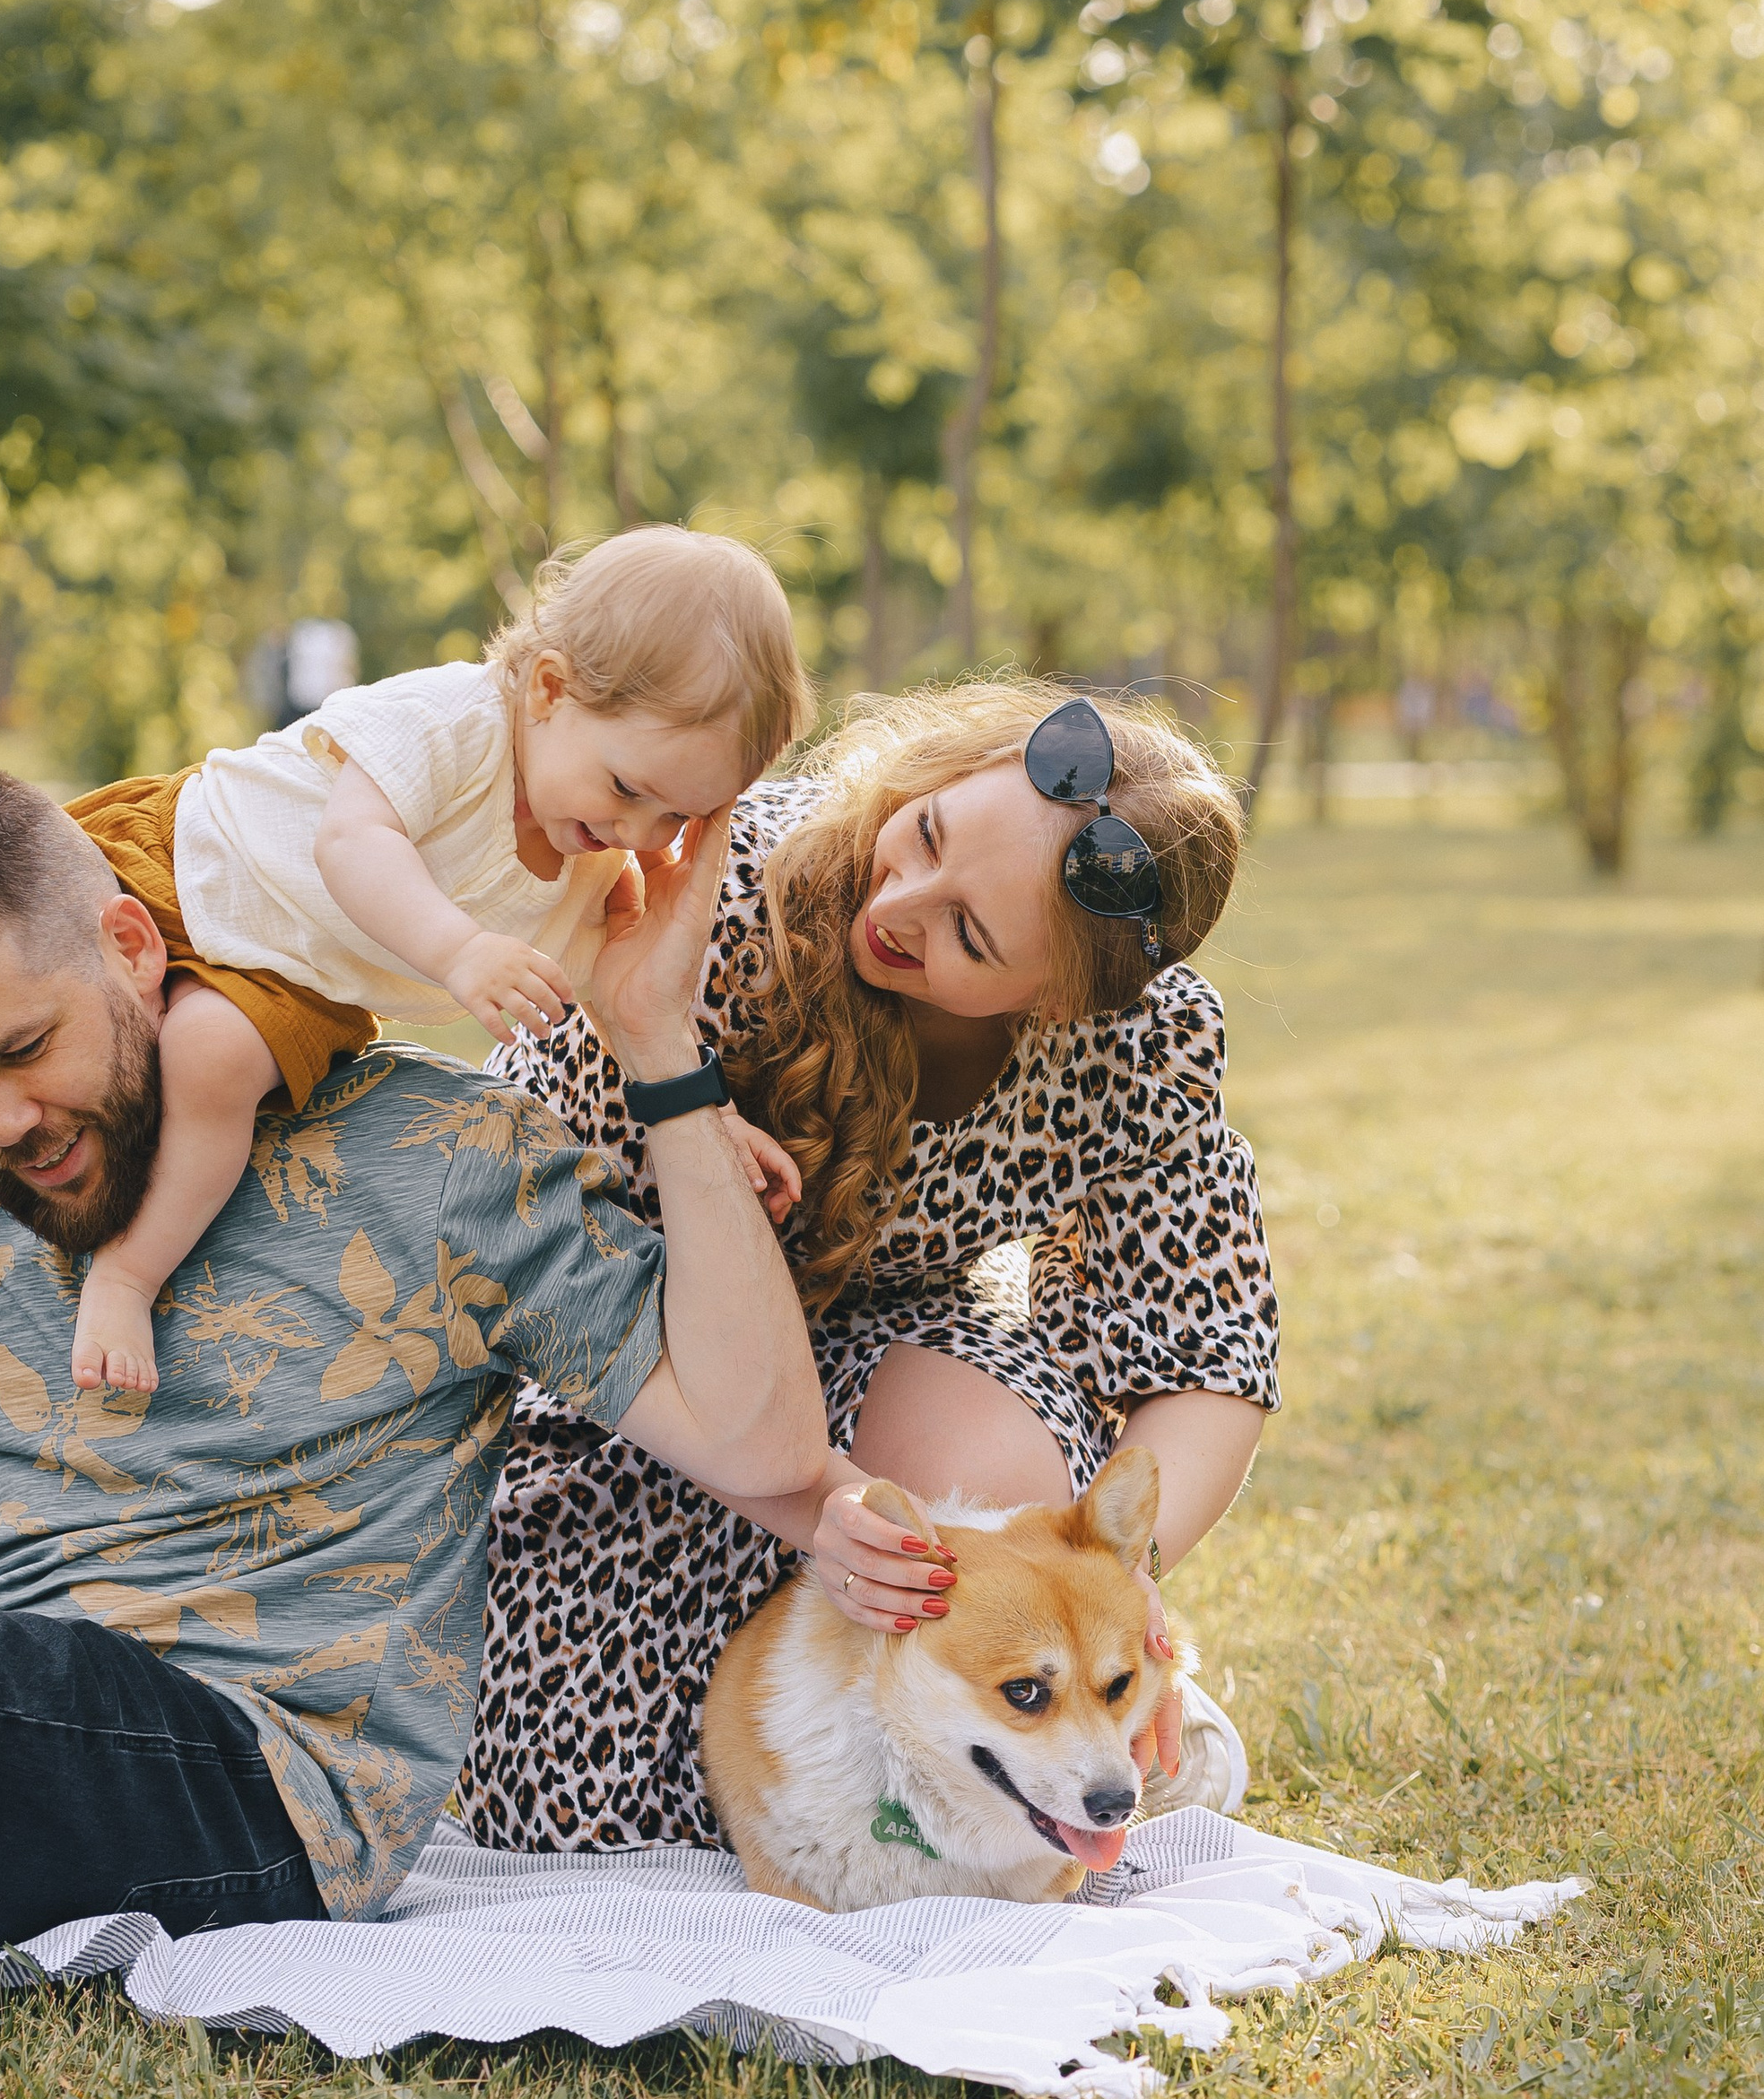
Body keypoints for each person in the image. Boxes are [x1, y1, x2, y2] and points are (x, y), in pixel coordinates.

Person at [0, 769, 828, 1947]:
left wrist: (661, 1051)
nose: (3, 1120)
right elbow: (42, 1468)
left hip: (242, 1787)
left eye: (23, 1050)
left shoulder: (441, 1161)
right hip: (14, 1687)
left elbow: (760, 1439)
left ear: (129, 944)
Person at [456, 681, 1282, 1854]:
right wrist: (809, 1502)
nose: (902, 902)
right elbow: (532, 1258)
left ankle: (1040, 1704)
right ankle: (972, 1735)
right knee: (578, 1800)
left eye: (971, 936)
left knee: (987, 1461)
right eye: (929, 832)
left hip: (891, 1383)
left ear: (1055, 1002)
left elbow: (1209, 1346)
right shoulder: (710, 888)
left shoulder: (1139, 1046)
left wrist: (1119, 1583)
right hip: (633, 1390)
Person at [0, 532, 814, 1400]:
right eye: (625, 788)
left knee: (211, 1062)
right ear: (548, 690)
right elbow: (352, 841)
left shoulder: (590, 869)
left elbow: (611, 1009)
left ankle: (127, 1273)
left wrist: (712, 1115)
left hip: (288, 981)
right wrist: (457, 949)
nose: (637, 831)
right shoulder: (456, 721)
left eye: (676, 819)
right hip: (191, 857)